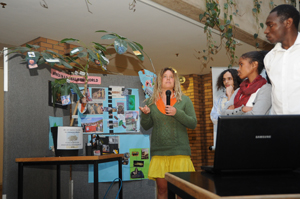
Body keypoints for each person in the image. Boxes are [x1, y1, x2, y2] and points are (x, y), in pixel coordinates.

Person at [139, 67, 197, 199]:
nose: (168, 79)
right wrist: (146, 115)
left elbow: (193, 123)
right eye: (165, 76)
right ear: (159, 81)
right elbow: (146, 126)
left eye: (171, 77)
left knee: (183, 192)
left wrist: (177, 113)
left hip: (180, 153)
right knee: (162, 190)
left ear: (175, 81)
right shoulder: (150, 102)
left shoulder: (185, 100)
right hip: (160, 153)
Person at [264, 4, 300, 114]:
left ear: (288, 23)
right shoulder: (269, 58)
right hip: (280, 127)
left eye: (271, 25)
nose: (266, 31)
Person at [222, 51, 272, 115]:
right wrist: (242, 109)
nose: (238, 69)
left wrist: (234, 110)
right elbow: (223, 114)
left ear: (254, 65)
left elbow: (255, 116)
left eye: (241, 64)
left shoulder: (266, 89)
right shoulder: (239, 90)